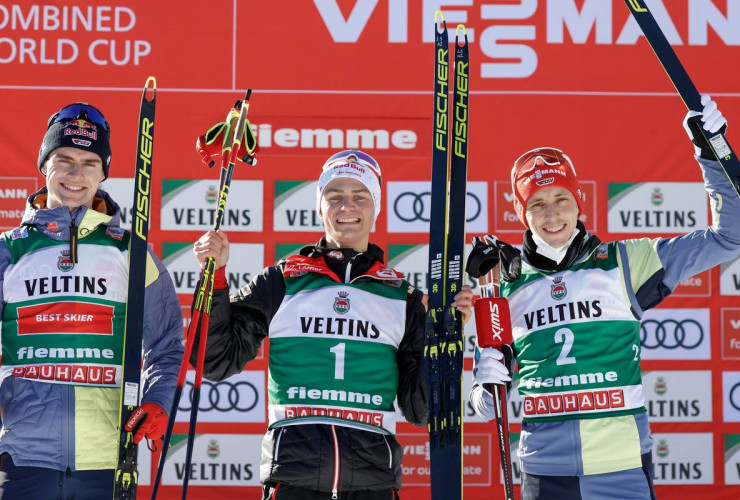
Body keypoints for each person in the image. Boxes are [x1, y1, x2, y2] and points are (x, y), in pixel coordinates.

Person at [467, 95, 740, 499]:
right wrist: (484, 383)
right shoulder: (506, 285)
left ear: (579, 202)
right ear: (521, 212)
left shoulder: (626, 262)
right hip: (545, 474)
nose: (551, 214)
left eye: (561, 199)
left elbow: (729, 237)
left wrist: (712, 151)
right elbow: (486, 406)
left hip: (621, 469)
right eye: (537, 204)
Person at [192, 150, 474, 499]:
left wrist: (444, 337)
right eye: (334, 196)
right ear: (320, 205)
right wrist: (214, 278)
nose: (347, 207)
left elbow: (422, 410)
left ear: (376, 207)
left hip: (373, 482)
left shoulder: (405, 298)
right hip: (295, 479)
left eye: (360, 197)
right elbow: (213, 360)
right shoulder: (281, 281)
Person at [0, 103, 184, 498]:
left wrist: (156, 399)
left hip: (108, 458)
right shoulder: (9, 251)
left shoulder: (130, 252)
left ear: (103, 173)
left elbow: (167, 344)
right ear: (44, 165)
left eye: (88, 162)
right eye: (63, 159)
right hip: (20, 455)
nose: (74, 173)